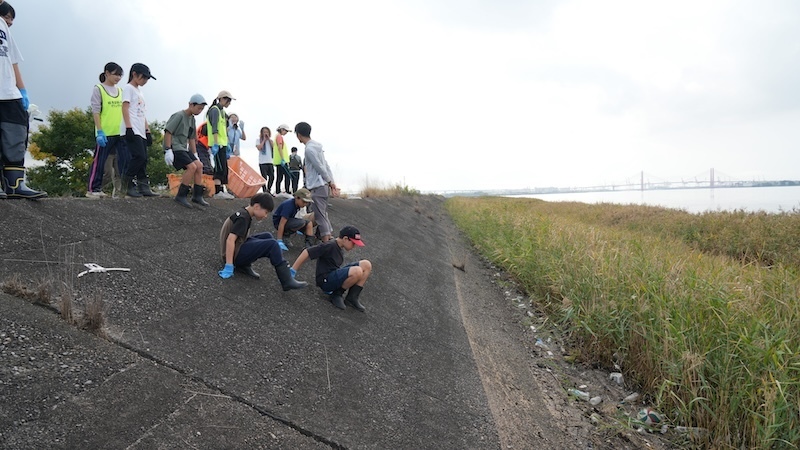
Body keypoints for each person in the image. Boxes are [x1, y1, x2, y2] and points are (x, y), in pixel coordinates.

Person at [0, 1, 45, 199]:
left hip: (10, 93)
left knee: (16, 137)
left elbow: (13, 60)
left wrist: (23, 90)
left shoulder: (2, 26)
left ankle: (15, 184)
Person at [218, 192, 308, 291]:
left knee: (267, 236)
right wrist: (229, 265)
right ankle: (286, 280)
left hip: (237, 248)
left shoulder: (244, 213)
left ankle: (243, 265)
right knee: (272, 244)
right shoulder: (243, 218)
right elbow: (230, 240)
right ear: (256, 207)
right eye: (266, 212)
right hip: (232, 255)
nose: (265, 216)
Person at [291, 226, 371, 311]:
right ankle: (337, 294)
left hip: (333, 275)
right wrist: (293, 270)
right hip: (325, 281)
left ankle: (352, 298)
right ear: (345, 239)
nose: (354, 246)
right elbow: (307, 252)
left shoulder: (339, 246)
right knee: (357, 271)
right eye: (353, 243)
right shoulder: (330, 245)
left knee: (366, 264)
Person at [295, 122, 338, 242]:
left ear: (298, 135)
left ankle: (327, 241)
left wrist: (330, 181)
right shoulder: (317, 146)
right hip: (323, 185)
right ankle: (328, 238)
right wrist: (331, 181)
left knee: (320, 216)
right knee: (322, 213)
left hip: (317, 185)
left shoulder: (309, 149)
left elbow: (319, 166)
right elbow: (326, 165)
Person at [164, 94, 209, 208]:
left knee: (199, 165)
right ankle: (181, 195)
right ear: (191, 105)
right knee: (191, 167)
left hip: (184, 147)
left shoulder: (192, 119)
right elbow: (168, 132)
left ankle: (197, 196)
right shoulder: (179, 115)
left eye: (201, 109)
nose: (199, 111)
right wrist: (168, 150)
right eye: (198, 108)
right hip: (175, 147)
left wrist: (195, 154)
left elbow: (192, 138)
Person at [87, 62, 124, 199]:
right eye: (115, 74)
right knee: (100, 163)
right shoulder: (99, 89)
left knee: (121, 164)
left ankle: (119, 192)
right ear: (107, 73)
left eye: (120, 75)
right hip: (105, 133)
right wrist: (99, 131)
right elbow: (96, 111)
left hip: (119, 133)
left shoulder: (121, 91)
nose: (118, 77)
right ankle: (93, 189)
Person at [121, 62, 156, 198]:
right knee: (138, 156)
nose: (145, 81)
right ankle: (128, 183)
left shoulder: (140, 92)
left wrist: (147, 131)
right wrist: (129, 127)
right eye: (144, 77)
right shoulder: (128, 88)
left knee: (144, 159)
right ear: (134, 74)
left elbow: (142, 112)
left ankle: (144, 186)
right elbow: (125, 108)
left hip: (140, 129)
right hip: (132, 128)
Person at [207, 90, 235, 199]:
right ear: (223, 99)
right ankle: (218, 191)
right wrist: (216, 143)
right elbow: (214, 128)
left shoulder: (222, 112)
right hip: (217, 144)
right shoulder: (214, 110)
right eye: (228, 101)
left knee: (224, 168)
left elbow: (224, 129)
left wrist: (226, 144)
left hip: (223, 144)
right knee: (218, 168)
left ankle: (222, 190)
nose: (229, 103)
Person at [272, 124, 291, 194]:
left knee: (279, 177)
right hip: (282, 161)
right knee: (286, 176)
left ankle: (278, 191)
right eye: (286, 131)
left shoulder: (276, 136)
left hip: (278, 161)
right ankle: (286, 190)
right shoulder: (279, 136)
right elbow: (280, 148)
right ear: (282, 130)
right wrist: (283, 159)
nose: (286, 133)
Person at [256, 126, 274, 194]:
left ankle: (269, 189)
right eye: (264, 132)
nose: (265, 133)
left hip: (270, 161)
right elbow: (259, 147)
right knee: (264, 178)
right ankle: (264, 191)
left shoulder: (271, 141)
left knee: (272, 176)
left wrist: (268, 139)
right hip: (262, 162)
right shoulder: (258, 140)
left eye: (267, 132)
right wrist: (263, 140)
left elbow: (273, 147)